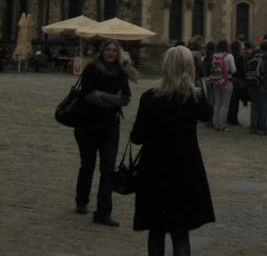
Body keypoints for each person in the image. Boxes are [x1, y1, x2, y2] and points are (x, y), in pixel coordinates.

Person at [131, 46, 215, 256]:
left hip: (155, 169)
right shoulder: (194, 97)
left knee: (156, 231)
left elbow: (137, 137)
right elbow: (207, 114)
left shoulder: (150, 97)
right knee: (180, 233)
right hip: (184, 169)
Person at [74, 39, 138, 227]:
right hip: (87, 124)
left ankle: (103, 211)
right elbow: (88, 95)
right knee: (87, 164)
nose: (110, 53)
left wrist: (102, 95)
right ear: (102, 52)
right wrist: (112, 100)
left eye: (114, 50)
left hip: (110, 126)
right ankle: (81, 200)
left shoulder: (120, 73)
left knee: (108, 169)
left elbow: (125, 99)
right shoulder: (92, 69)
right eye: (108, 50)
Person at [248, 39, 267, 135]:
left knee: (254, 106)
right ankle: (263, 127)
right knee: (263, 106)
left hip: (253, 82)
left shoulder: (254, 56)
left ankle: (253, 126)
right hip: (263, 83)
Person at [209, 39, 236, 132]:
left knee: (217, 103)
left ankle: (216, 123)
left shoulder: (215, 56)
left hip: (216, 81)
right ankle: (223, 124)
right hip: (227, 81)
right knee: (225, 105)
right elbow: (233, 70)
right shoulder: (229, 56)